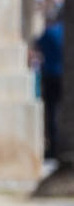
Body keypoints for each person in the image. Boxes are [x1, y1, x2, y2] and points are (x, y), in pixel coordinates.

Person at [35, 9, 64, 159]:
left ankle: (53, 148)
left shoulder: (49, 33)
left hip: (50, 76)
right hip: (64, 77)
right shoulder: (65, 32)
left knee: (51, 114)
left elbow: (37, 46)